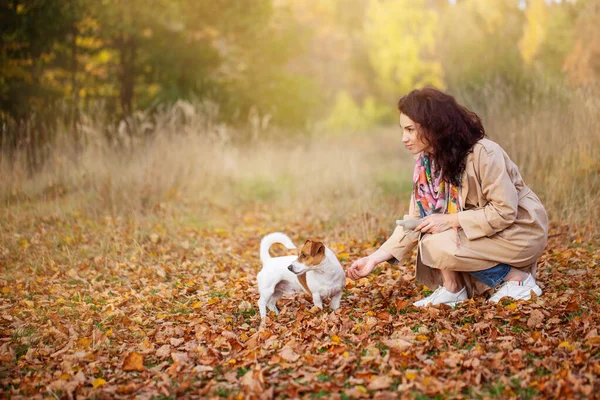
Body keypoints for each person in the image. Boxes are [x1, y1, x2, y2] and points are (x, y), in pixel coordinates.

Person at [347, 87, 548, 307]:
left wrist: (450, 220)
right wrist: (373, 258)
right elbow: (415, 220)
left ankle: (517, 281)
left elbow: (505, 210)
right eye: (402, 130)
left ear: (434, 126)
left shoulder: (484, 153)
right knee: (431, 233)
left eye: (411, 129)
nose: (404, 138)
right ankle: (453, 289)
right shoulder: (427, 164)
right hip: (486, 230)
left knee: (438, 238)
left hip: (518, 230)